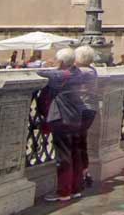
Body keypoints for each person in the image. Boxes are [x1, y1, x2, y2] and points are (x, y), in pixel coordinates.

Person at [38, 46, 98, 201]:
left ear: (62, 61)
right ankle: (76, 188)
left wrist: (50, 66)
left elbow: (42, 73)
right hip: (76, 118)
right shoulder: (80, 74)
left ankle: (63, 192)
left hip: (62, 119)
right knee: (75, 152)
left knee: (63, 155)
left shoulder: (61, 76)